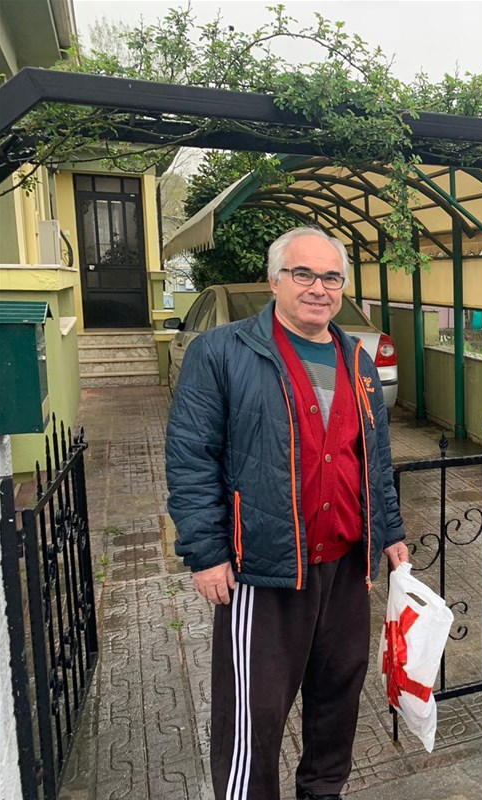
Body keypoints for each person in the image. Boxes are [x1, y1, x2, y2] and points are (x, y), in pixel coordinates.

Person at [166, 227, 408, 800]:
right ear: (275, 281)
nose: (318, 288)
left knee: (338, 697)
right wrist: (207, 553)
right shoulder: (221, 353)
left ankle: (323, 791)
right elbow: (191, 457)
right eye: (304, 274)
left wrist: (391, 531)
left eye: (331, 277)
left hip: (346, 565)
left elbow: (374, 457)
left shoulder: (358, 360)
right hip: (264, 567)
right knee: (255, 713)